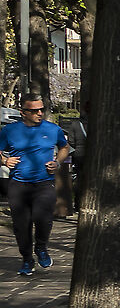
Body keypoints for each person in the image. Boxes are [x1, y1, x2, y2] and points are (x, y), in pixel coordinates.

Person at [1, 94, 67, 277]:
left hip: (44, 183)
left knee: (43, 218)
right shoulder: (9, 131)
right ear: (23, 113)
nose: (40, 113)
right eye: (34, 110)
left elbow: (64, 147)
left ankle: (41, 247)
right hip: (18, 184)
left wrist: (58, 163)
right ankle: (27, 259)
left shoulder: (53, 129)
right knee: (21, 226)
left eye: (41, 109)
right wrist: (5, 160)